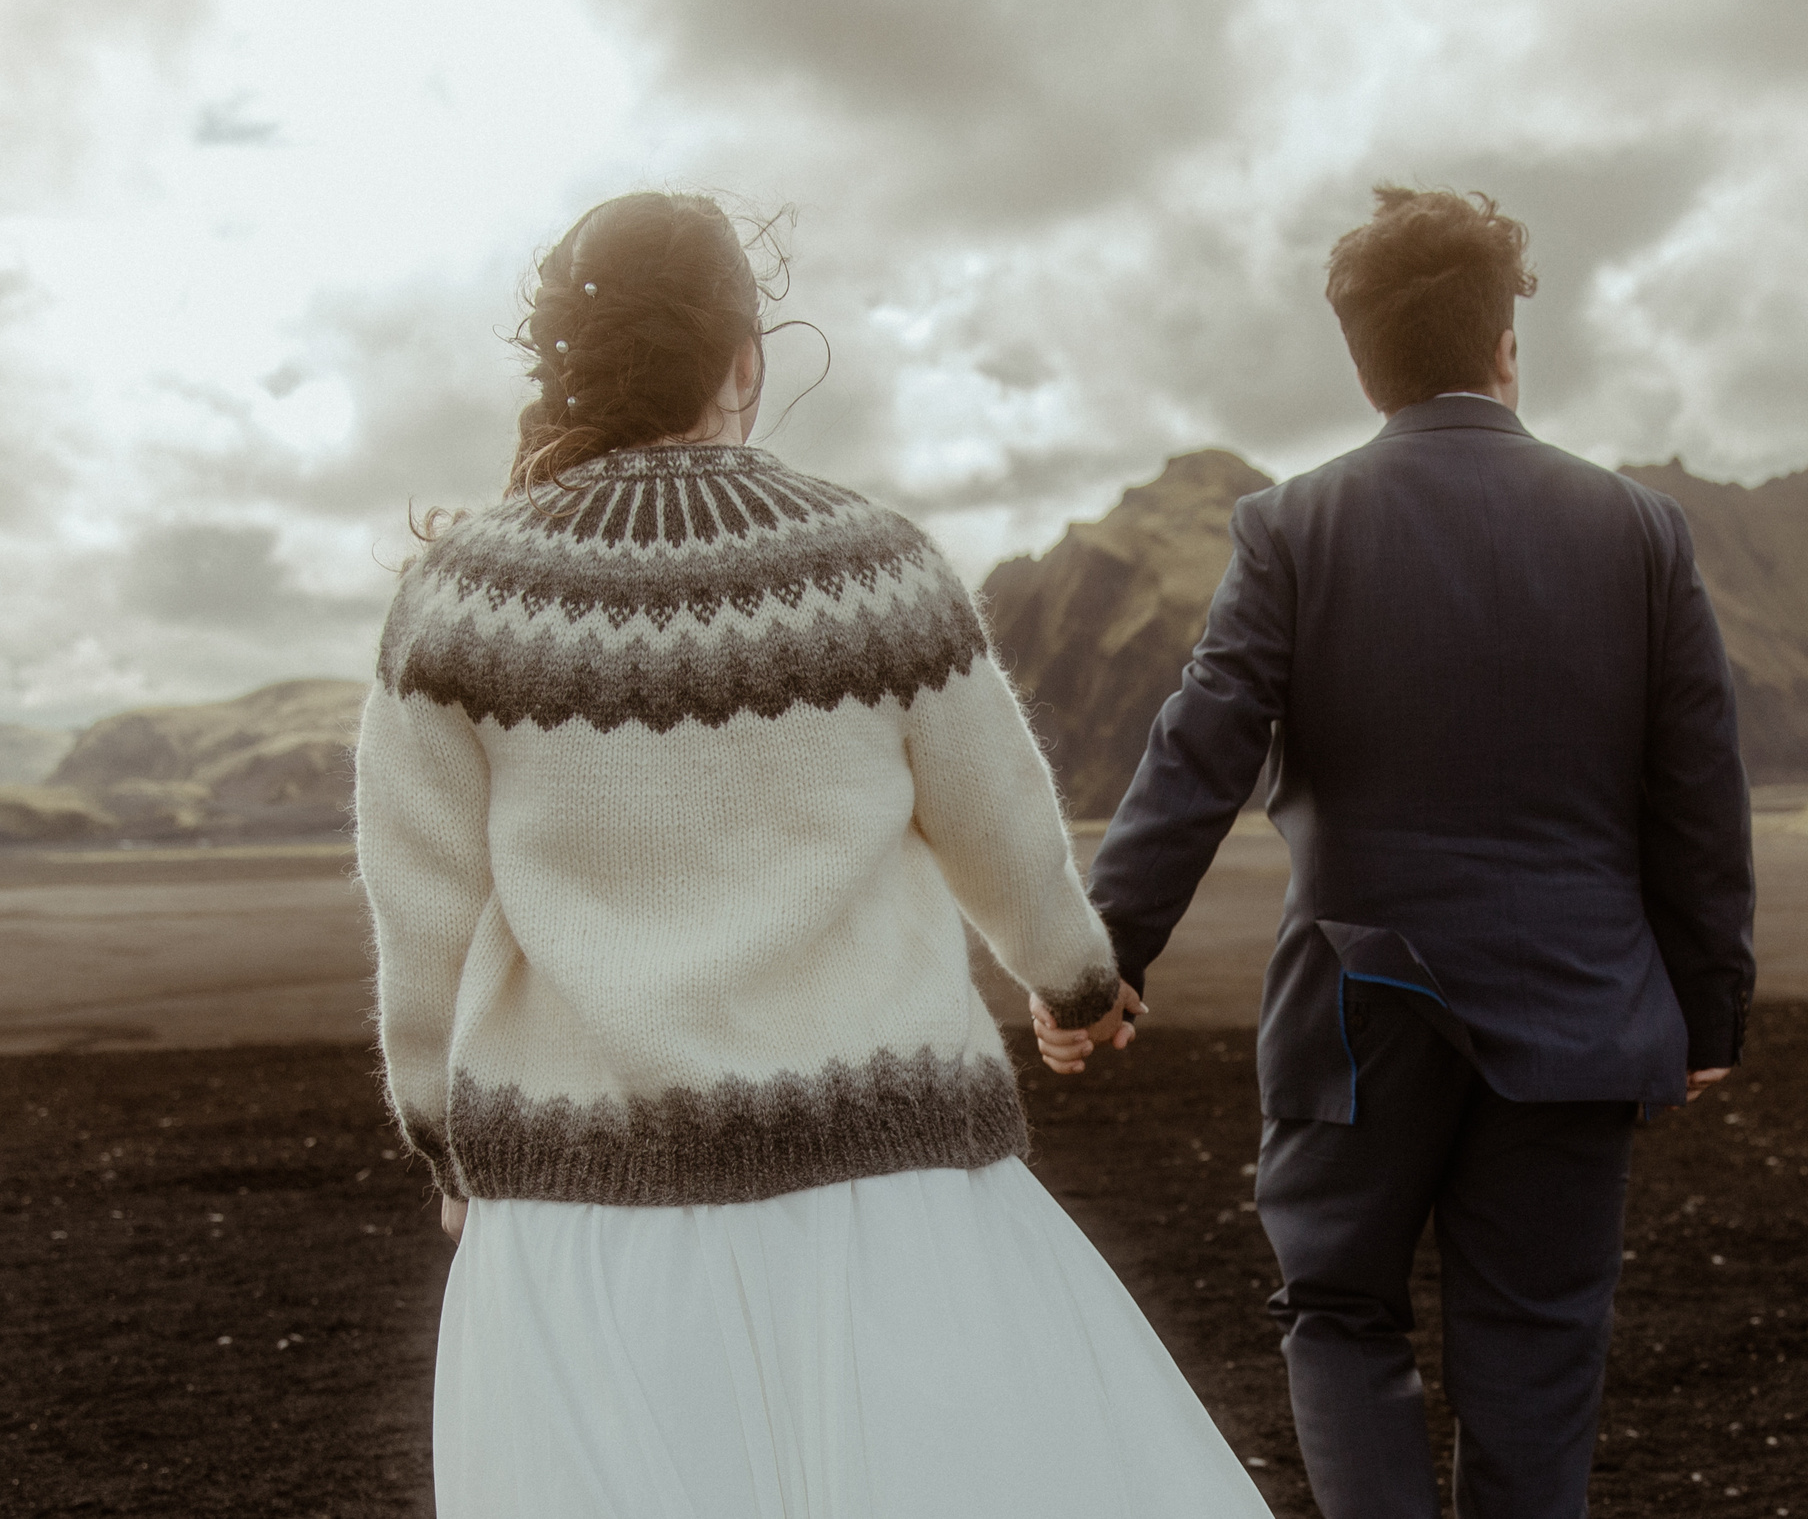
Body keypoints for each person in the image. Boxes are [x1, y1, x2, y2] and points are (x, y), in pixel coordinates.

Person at [356, 190, 1269, 1518]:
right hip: (885, 1195)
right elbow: (1005, 836)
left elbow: (420, 925)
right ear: (747, 360)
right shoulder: (874, 568)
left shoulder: (457, 606)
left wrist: (449, 1148)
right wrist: (1074, 984)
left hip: (580, 1218)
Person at [1035, 186, 1756, 1519]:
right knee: (1537, 1351)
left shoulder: (1292, 529)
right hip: (1582, 1007)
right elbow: (1696, 787)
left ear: (1361, 364)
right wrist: (1707, 1002)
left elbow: (1200, 748)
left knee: (1339, 1311)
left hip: (1361, 1012)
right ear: (1506, 347)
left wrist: (1100, 960)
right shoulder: (1642, 535)